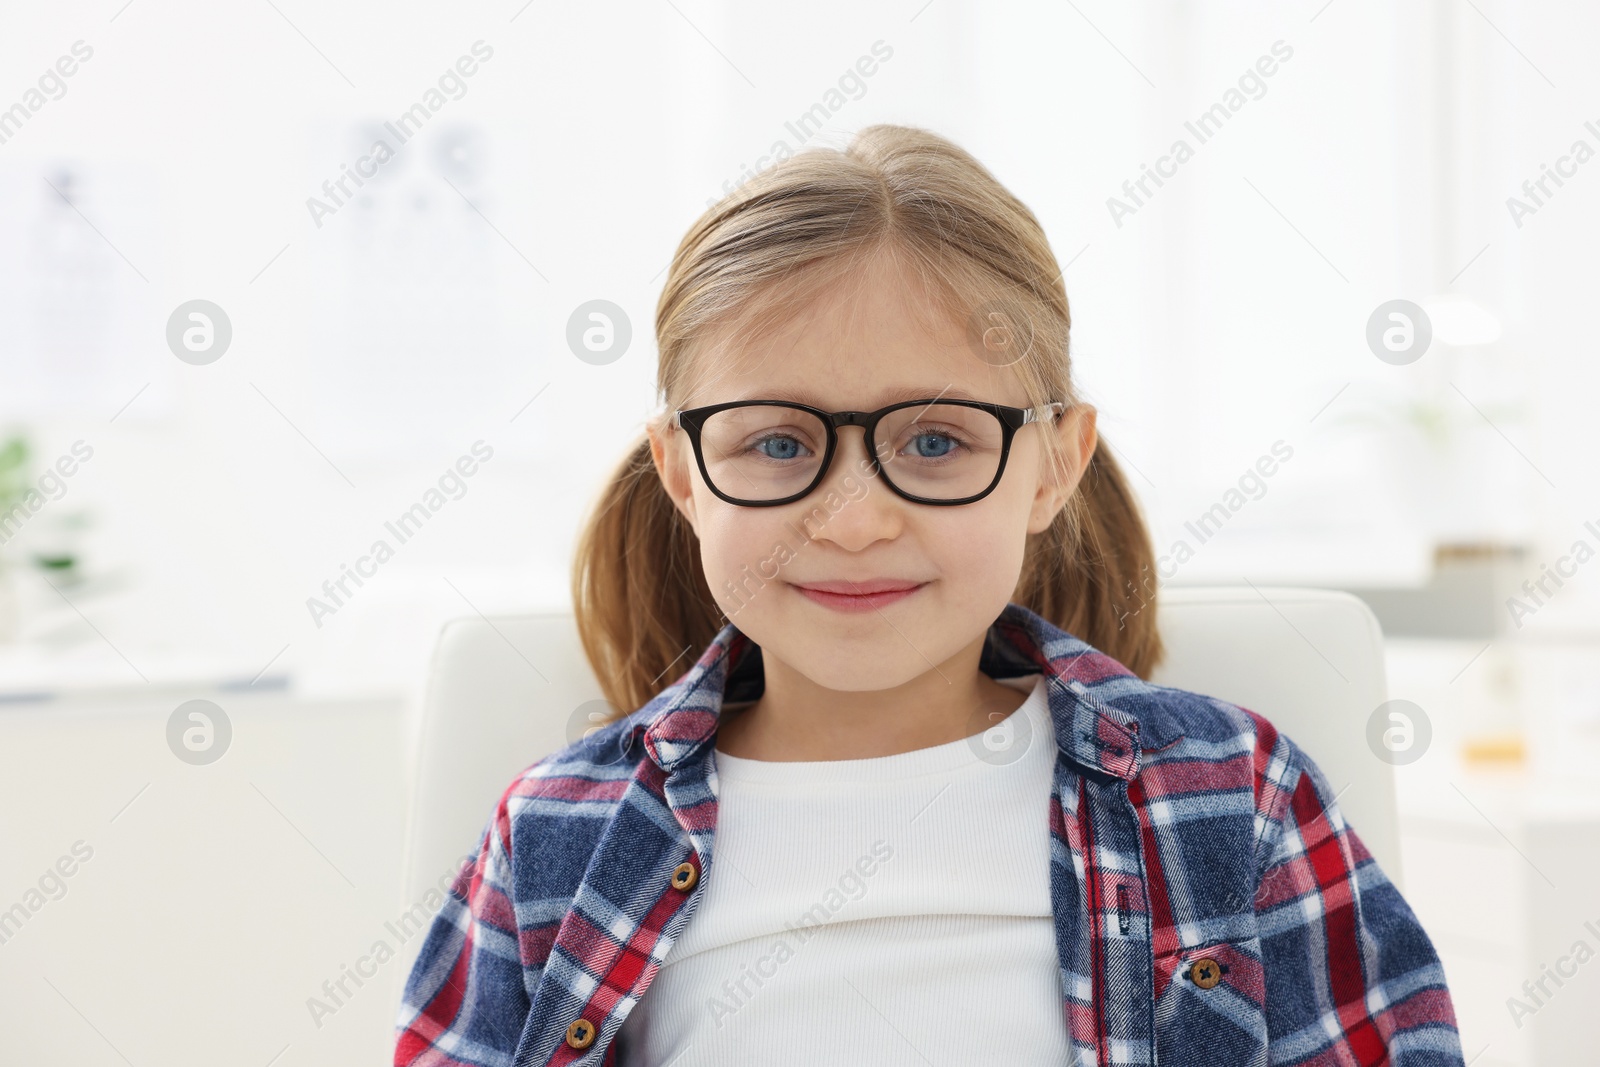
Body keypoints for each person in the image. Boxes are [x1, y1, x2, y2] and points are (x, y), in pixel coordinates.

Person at [394, 124, 1465, 1066]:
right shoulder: (557, 836)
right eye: (776, 442)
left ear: (1053, 464)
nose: (854, 519)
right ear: (681, 472)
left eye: (938, 440)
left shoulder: (1234, 796)